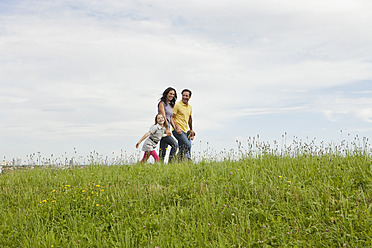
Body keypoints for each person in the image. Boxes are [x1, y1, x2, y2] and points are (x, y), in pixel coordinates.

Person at [172, 89, 195, 161]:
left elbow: (190, 119)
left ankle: (179, 162)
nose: (184, 97)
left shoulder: (190, 107)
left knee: (183, 147)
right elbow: (171, 118)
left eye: (186, 96)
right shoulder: (177, 105)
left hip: (185, 131)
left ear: (189, 97)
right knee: (188, 145)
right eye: (183, 95)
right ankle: (175, 160)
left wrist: (191, 130)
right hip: (177, 130)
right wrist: (176, 127)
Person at [158, 87, 178, 163]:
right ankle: (171, 163)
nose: (172, 95)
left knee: (163, 150)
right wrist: (166, 129)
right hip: (162, 129)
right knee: (175, 145)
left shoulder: (170, 105)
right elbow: (163, 117)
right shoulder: (161, 104)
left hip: (167, 128)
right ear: (166, 94)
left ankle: (159, 166)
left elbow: (170, 118)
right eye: (170, 93)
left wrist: (175, 127)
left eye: (173, 94)